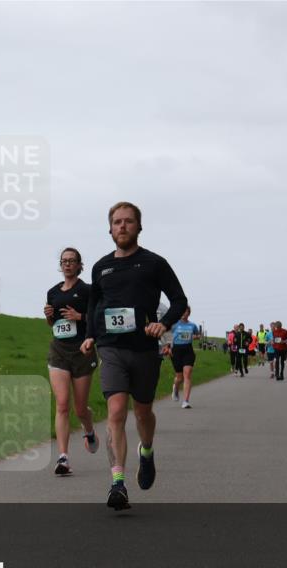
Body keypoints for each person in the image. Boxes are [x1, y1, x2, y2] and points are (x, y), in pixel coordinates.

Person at [80, 201, 188, 511]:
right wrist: (89, 335)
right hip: (110, 348)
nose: (122, 226)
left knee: (142, 413)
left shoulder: (154, 263)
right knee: (115, 412)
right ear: (110, 229)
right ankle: (117, 483)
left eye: (128, 221)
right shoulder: (101, 267)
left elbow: (179, 300)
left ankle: (147, 451)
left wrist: (163, 324)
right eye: (117, 222)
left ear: (139, 227)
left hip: (144, 350)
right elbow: (93, 306)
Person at [44, 247, 99, 476]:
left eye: (72, 261)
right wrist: (48, 317)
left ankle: (89, 430)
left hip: (82, 351)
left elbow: (98, 317)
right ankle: (63, 458)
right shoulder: (52, 292)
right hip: (58, 351)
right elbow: (54, 324)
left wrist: (80, 317)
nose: (67, 264)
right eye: (64, 261)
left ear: (79, 265)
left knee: (79, 408)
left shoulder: (87, 290)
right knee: (62, 404)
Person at [168, 306, 199, 408]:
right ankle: (176, 387)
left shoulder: (192, 325)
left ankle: (186, 401)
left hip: (188, 350)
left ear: (188, 313)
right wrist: (168, 347)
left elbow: (198, 335)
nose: (183, 313)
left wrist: (196, 336)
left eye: (185, 311)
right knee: (179, 378)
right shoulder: (174, 324)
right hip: (176, 351)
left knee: (187, 374)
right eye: (181, 311)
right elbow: (167, 335)